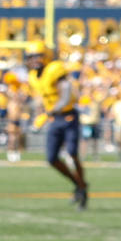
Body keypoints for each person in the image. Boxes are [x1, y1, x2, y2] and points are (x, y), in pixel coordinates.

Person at [25, 43, 89, 208]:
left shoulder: (54, 69)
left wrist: (48, 113)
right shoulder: (32, 76)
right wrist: (37, 114)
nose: (34, 60)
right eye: (30, 57)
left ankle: (81, 186)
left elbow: (66, 95)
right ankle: (78, 184)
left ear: (45, 55)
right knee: (52, 158)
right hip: (55, 120)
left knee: (72, 154)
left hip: (68, 117)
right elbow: (42, 99)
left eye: (37, 55)